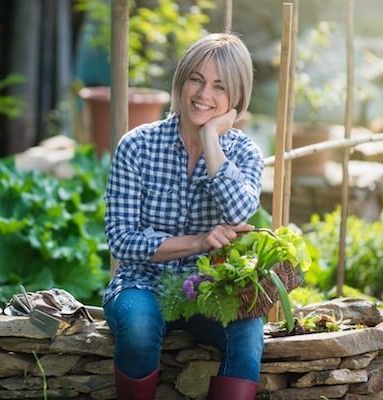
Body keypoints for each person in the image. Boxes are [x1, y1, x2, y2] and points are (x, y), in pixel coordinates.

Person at [103, 33, 264, 400]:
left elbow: (239, 211)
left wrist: (211, 139)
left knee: (248, 333)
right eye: (196, 79)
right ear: (181, 80)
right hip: (142, 282)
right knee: (139, 327)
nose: (203, 94)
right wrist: (199, 241)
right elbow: (122, 240)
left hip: (211, 288)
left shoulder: (245, 153)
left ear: (236, 98)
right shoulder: (137, 145)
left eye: (219, 87)